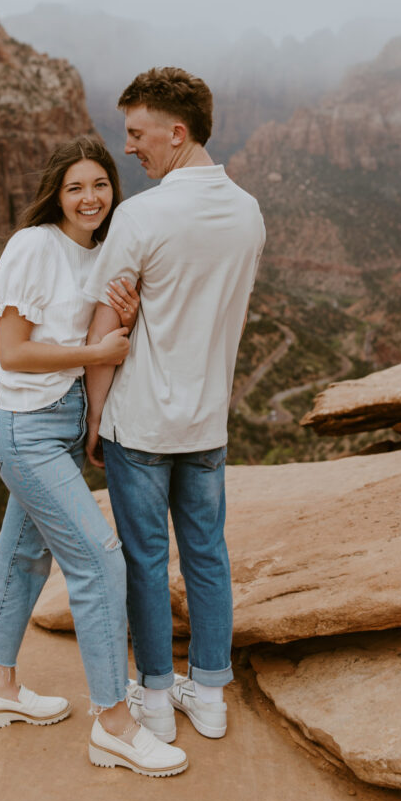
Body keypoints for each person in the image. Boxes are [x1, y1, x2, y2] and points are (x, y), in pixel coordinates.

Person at [0, 135, 188, 777]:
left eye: (100, 185)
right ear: (55, 195)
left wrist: (94, 419)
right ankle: (115, 725)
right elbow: (14, 352)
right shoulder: (33, 245)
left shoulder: (98, 251)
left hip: (63, 426)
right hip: (26, 428)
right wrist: (96, 356)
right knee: (99, 561)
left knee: (23, 556)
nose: (90, 198)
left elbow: (99, 332)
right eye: (75, 187)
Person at [84, 68, 265, 748]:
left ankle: (156, 700)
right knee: (206, 555)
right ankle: (210, 694)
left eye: (136, 133)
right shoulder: (247, 211)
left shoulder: (142, 215)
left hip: (141, 422)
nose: (128, 147)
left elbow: (107, 328)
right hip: (207, 420)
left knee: (144, 557)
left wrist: (95, 419)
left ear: (176, 132)